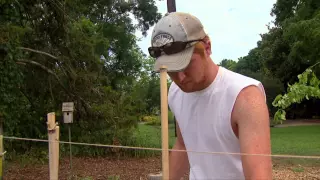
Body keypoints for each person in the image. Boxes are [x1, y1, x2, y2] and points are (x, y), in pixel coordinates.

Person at [148, 12, 272, 180]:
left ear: (207, 46)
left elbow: (259, 176)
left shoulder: (245, 97)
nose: (180, 78)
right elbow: (183, 145)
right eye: (172, 70)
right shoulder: (175, 93)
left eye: (186, 65)